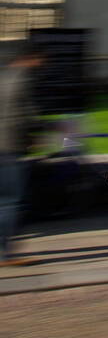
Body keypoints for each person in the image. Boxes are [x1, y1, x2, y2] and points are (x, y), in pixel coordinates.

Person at [0, 44, 44, 265]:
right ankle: (6, 254)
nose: (41, 64)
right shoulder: (23, 79)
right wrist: (37, 134)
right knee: (11, 201)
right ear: (28, 58)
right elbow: (26, 115)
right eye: (38, 58)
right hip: (10, 146)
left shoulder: (3, 77)